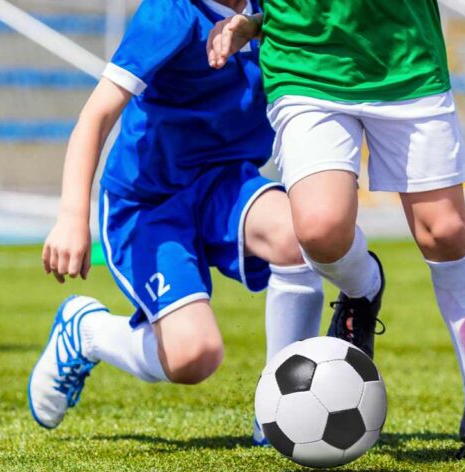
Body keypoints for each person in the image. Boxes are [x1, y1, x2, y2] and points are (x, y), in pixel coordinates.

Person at [208, 1, 465, 463]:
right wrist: (254, 22)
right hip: (307, 61)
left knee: (444, 232)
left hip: (405, 57)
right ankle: (363, 288)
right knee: (320, 229)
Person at [27, 0, 324, 446]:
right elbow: (97, 115)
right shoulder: (169, 13)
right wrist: (72, 216)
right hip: (151, 200)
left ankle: (280, 409)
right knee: (195, 356)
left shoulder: (280, 8)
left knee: (299, 236)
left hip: (225, 181)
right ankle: (87, 332)